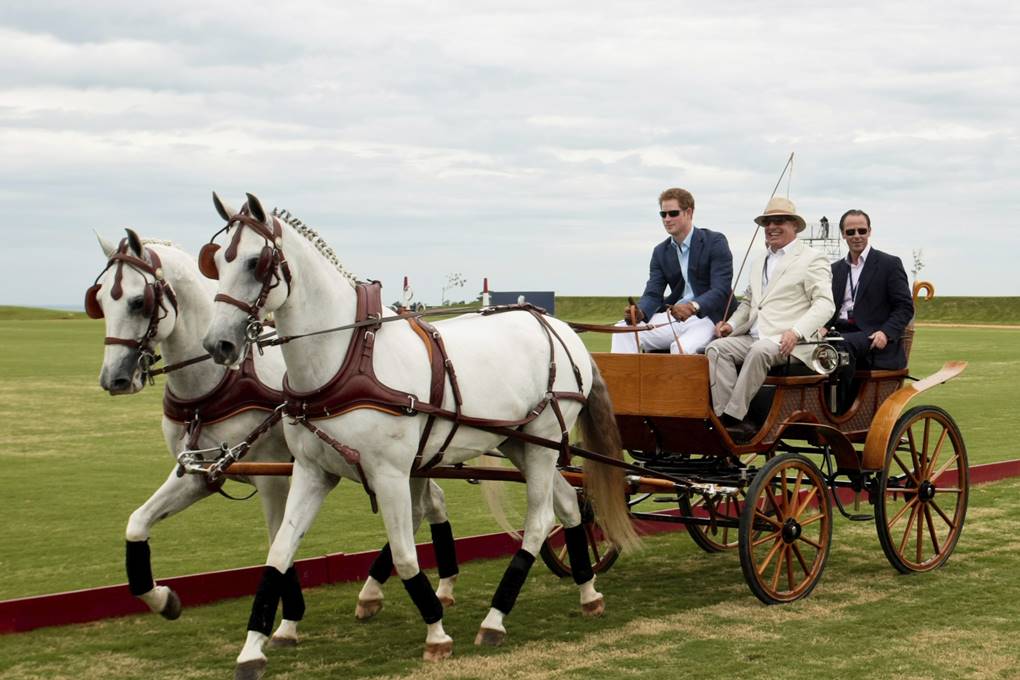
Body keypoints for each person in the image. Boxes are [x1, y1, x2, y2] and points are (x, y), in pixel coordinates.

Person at [706, 197, 835, 440]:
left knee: (760, 350)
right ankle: (725, 418)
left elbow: (825, 304)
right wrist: (731, 325)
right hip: (755, 336)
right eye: (767, 222)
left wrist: (796, 332)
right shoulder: (758, 262)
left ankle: (734, 417)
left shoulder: (812, 258)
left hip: (791, 342)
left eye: (779, 221)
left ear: (795, 226)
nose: (772, 227)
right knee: (716, 348)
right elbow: (748, 303)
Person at [611, 187, 733, 354]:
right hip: (674, 317)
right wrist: (641, 312)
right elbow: (653, 294)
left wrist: (693, 306)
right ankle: (624, 381)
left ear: (689, 212)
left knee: (680, 349)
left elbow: (721, 290)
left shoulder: (715, 242)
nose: (667, 219)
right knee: (622, 331)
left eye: (673, 213)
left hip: (707, 318)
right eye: (663, 214)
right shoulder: (660, 251)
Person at [825, 209, 914, 371]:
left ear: (869, 231)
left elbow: (905, 307)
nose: (857, 235)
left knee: (839, 347)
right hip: (839, 331)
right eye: (851, 232)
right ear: (843, 234)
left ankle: (840, 398)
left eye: (862, 230)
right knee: (807, 345)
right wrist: (822, 326)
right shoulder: (834, 269)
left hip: (872, 335)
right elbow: (828, 306)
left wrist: (885, 333)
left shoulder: (889, 264)